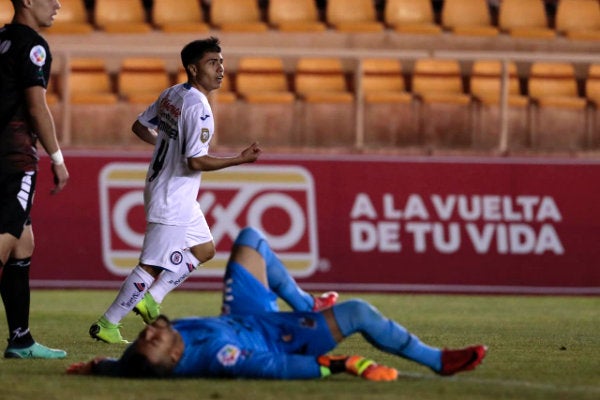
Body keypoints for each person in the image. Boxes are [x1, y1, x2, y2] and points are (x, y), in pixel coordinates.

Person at [70, 227, 487, 380]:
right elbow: (274, 368)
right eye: (152, 341)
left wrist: (97, 367)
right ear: (175, 356)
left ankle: (306, 300)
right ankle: (438, 361)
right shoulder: (220, 357)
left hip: (243, 316)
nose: (147, 331)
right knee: (358, 312)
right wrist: (343, 364)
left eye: (141, 337)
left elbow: (128, 366)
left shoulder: (150, 356)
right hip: (281, 338)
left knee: (250, 239)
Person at [88, 37, 262, 344]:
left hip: (173, 192)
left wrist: (167, 146)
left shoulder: (173, 93)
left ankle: (151, 298)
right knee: (152, 264)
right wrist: (239, 159)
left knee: (205, 249)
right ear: (194, 69)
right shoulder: (199, 108)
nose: (221, 69)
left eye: (221, 62)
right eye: (213, 63)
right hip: (172, 195)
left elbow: (140, 126)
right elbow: (195, 162)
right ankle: (107, 323)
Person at [0, 0, 69, 359]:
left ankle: (21, 339)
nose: (58, 4)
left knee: (23, 241)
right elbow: (35, 107)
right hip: (13, 160)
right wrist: (57, 158)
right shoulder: (32, 45)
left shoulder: (2, 39)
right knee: (6, 238)